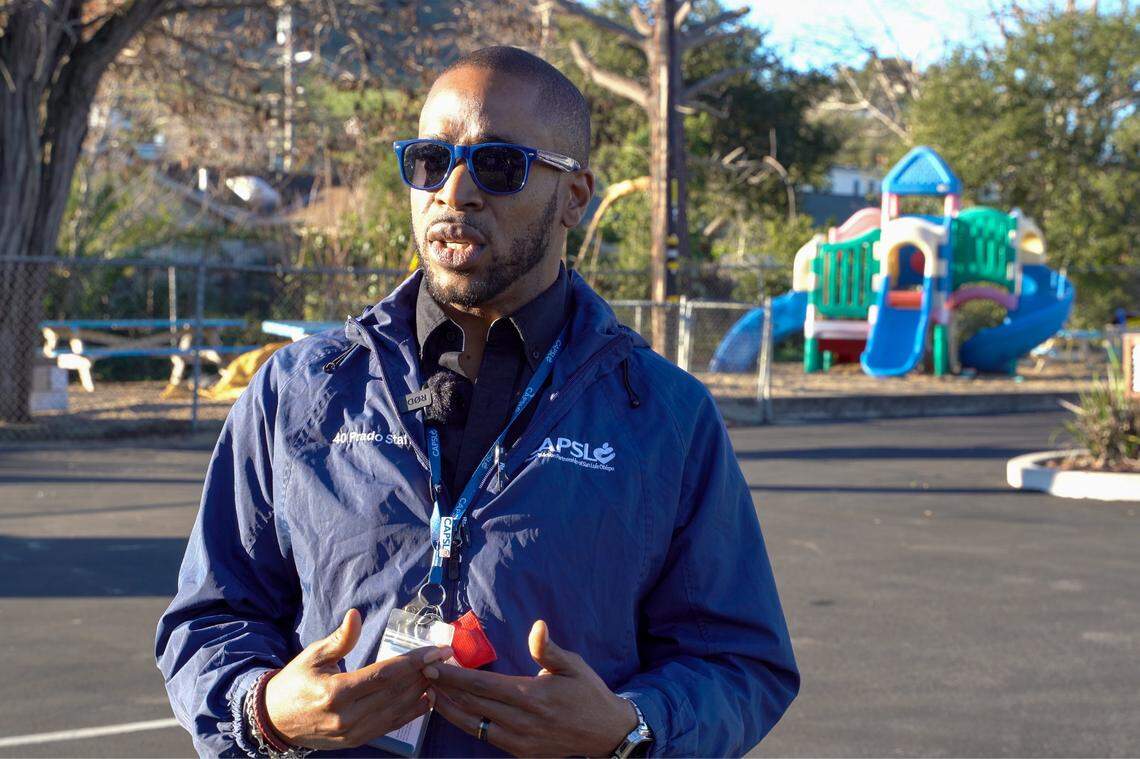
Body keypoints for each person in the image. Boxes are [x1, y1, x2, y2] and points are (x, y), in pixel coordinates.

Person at [156, 45, 798, 758]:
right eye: (431, 160)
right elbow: (210, 617)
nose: (454, 192)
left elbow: (739, 661)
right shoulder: (298, 392)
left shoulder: (664, 415)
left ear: (574, 197)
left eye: (498, 165)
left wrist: (632, 728)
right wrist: (266, 708)